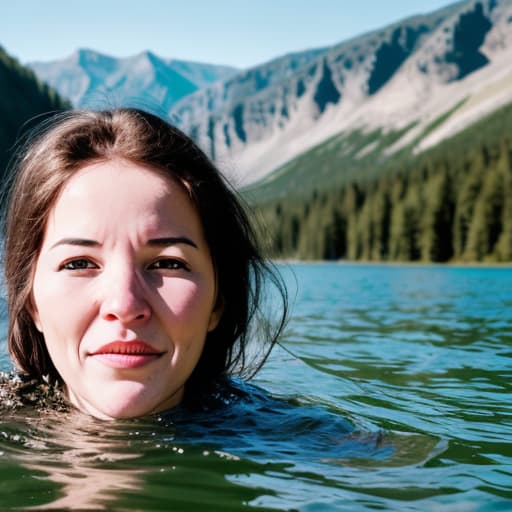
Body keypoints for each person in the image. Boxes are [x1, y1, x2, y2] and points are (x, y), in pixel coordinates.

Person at [1, 107, 287, 420]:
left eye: (169, 264)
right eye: (79, 262)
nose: (124, 305)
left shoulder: (314, 446)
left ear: (218, 301)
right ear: (32, 302)